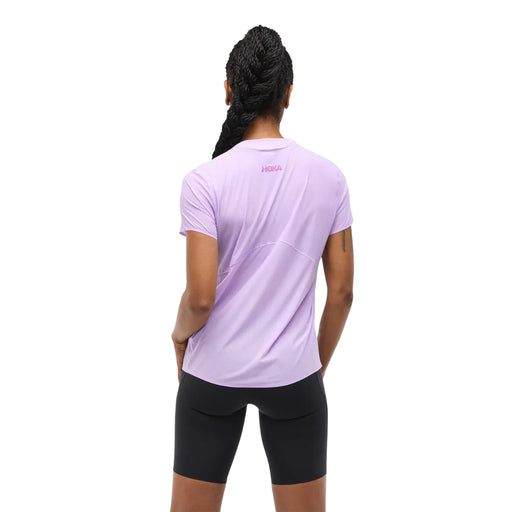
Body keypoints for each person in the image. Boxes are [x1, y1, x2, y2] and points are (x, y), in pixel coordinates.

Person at [170, 25, 354, 512]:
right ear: (288, 94)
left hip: (212, 375)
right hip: (295, 378)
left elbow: (200, 298)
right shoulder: (329, 178)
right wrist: (309, 367)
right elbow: (342, 293)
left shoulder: (204, 182)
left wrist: (178, 336)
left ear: (228, 91)